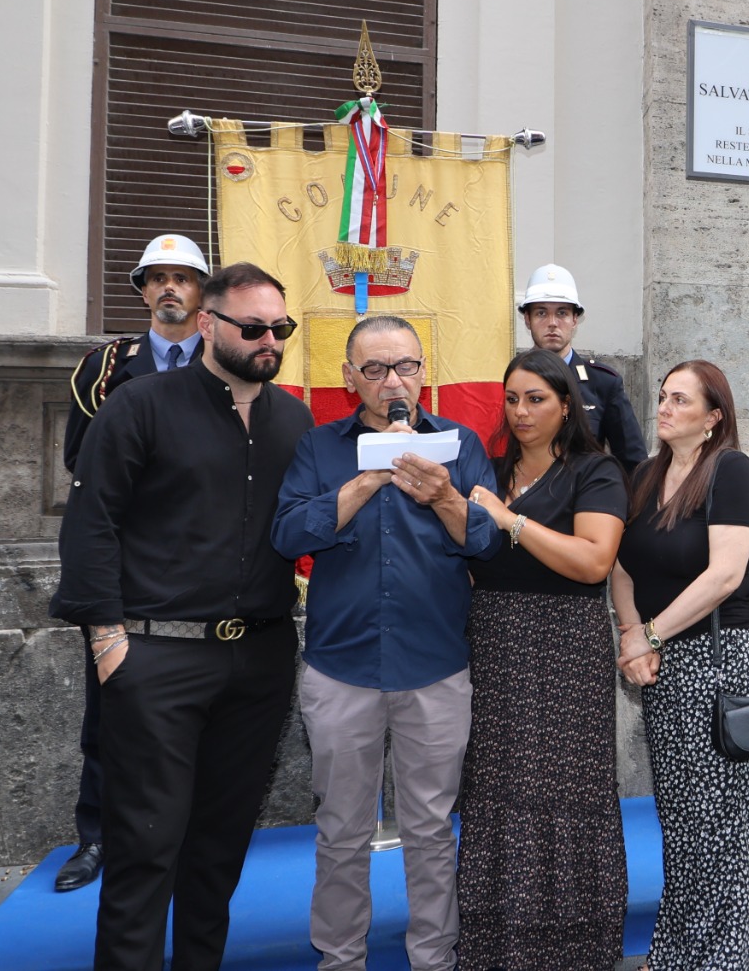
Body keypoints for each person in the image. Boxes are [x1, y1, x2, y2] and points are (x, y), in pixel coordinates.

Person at [49, 262, 313, 971]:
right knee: (145, 845)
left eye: (280, 328)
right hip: (155, 658)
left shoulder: (294, 419)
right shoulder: (138, 405)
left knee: (220, 849)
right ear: (208, 324)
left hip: (259, 661)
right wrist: (108, 640)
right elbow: (91, 524)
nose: (269, 340)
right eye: (252, 328)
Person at [271, 315, 496, 971]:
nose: (393, 381)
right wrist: (369, 476)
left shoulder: (459, 444)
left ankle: (434, 958)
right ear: (350, 378)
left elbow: (487, 542)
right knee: (342, 831)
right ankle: (341, 959)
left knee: (430, 829)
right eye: (374, 369)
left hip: (435, 666)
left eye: (405, 366)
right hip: (343, 667)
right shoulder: (320, 448)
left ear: (424, 370)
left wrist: (446, 497)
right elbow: (288, 536)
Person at [458, 348, 629, 971]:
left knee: (564, 788)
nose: (521, 411)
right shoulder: (488, 470)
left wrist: (509, 521)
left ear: (565, 406)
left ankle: (572, 950)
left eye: (536, 399)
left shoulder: (595, 471)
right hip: (495, 647)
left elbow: (594, 562)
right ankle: (496, 945)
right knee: (498, 785)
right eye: (512, 399)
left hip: (566, 649)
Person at [54, 233, 210, 894]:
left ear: (203, 293)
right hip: (126, 565)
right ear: (143, 291)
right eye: (158, 277)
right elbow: (82, 462)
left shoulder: (227, 359)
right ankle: (98, 836)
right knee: (111, 710)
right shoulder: (106, 365)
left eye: (184, 277)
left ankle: (188, 838)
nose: (170, 287)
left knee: (203, 718)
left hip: (201, 565)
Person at [612, 360, 749, 971]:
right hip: (661, 662)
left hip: (718, 659)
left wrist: (648, 635)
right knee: (678, 818)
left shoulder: (730, 469)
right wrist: (633, 636)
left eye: (681, 399)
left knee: (718, 822)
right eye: (663, 396)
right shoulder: (646, 474)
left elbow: (725, 575)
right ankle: (676, 951)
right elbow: (622, 567)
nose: (665, 407)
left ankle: (720, 957)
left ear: (712, 417)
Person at [519, 263, 648, 474]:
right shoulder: (514, 379)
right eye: (541, 313)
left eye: (562, 313)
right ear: (527, 319)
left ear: (574, 319)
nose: (552, 323)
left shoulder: (603, 383)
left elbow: (633, 462)